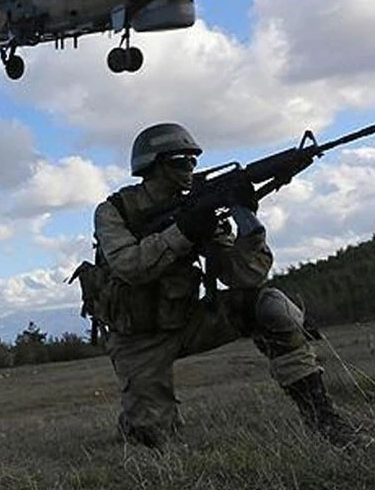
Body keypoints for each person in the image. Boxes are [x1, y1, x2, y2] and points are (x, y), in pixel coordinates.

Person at [89, 122, 368, 450]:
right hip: (137, 340)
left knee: (270, 306)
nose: (190, 169)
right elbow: (130, 266)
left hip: (187, 321)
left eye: (193, 161)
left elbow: (243, 277)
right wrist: (185, 231)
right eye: (181, 161)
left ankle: (326, 423)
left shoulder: (199, 208)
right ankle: (134, 422)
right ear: (153, 166)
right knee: (151, 440)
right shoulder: (115, 211)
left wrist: (247, 221)